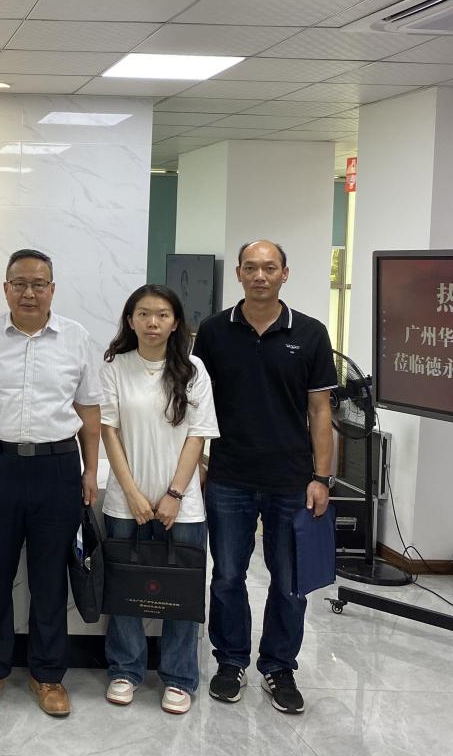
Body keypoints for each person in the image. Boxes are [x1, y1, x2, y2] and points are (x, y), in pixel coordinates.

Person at [193, 240, 337, 715]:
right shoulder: (213, 332)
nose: (260, 276)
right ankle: (231, 661)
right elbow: (195, 403)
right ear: (238, 273)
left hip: (292, 480)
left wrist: (322, 477)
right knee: (227, 576)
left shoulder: (310, 333)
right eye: (251, 268)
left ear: (284, 274)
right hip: (229, 475)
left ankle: (278, 667)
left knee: (290, 581)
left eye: (269, 268)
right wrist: (197, 465)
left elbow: (321, 411)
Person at [0, 248, 102, 718]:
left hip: (57, 468)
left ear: (52, 289)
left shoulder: (76, 338)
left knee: (50, 575)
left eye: (38, 284)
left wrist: (89, 471)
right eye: (19, 283)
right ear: (5, 288)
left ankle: (48, 674)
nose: (29, 292)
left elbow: (89, 414)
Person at [99, 284, 218, 715]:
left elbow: (197, 436)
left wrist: (174, 494)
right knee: (125, 588)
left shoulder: (194, 369)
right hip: (124, 500)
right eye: (144, 314)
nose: (153, 323)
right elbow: (108, 430)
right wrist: (132, 492)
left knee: (181, 591)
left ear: (175, 322)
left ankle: (179, 677)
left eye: (162, 315)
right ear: (130, 320)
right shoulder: (115, 366)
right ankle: (125, 669)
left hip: (182, 504)